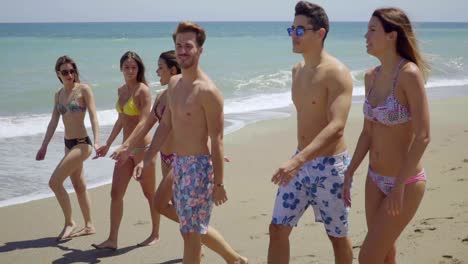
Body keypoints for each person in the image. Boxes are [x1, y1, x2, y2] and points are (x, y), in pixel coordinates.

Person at [115, 22, 248, 264]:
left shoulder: (208, 92)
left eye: (188, 46)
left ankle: (230, 257)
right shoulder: (174, 85)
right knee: (161, 205)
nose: (183, 50)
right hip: (178, 163)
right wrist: (146, 159)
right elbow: (164, 126)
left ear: (200, 50)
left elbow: (217, 140)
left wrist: (219, 183)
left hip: (198, 167)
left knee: (190, 233)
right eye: (178, 46)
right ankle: (233, 259)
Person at [268, 2, 354, 263]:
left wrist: (297, 160)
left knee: (337, 236)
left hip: (330, 168)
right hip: (300, 164)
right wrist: (299, 160)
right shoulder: (297, 71)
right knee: (277, 228)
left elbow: (336, 127)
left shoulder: (337, 73)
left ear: (320, 33)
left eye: (301, 30)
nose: (294, 35)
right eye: (292, 29)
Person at [343, 8, 430, 264]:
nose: (365, 35)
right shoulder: (371, 76)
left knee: (368, 257)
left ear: (392, 36)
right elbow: (367, 132)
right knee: (385, 254)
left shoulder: (409, 75)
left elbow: (423, 136)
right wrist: (349, 172)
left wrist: (398, 187)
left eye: (372, 30)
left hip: (406, 181)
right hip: (375, 179)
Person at [91, 51, 159, 250]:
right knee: (115, 194)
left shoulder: (143, 90)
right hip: (125, 148)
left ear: (139, 69)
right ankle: (112, 239)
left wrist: (125, 146)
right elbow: (122, 119)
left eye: (134, 67)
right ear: (121, 68)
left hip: (141, 149)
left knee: (149, 194)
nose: (130, 70)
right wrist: (108, 143)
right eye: (127, 67)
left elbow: (144, 123)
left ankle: (155, 234)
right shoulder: (121, 90)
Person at [36, 55, 100, 240]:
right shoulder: (59, 94)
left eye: (72, 71)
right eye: (65, 72)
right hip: (68, 144)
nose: (70, 75)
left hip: (82, 144)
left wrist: (96, 141)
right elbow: (53, 122)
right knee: (79, 185)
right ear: (58, 74)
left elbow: (94, 117)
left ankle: (70, 222)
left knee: (54, 182)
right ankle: (89, 225)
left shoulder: (84, 90)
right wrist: (44, 146)